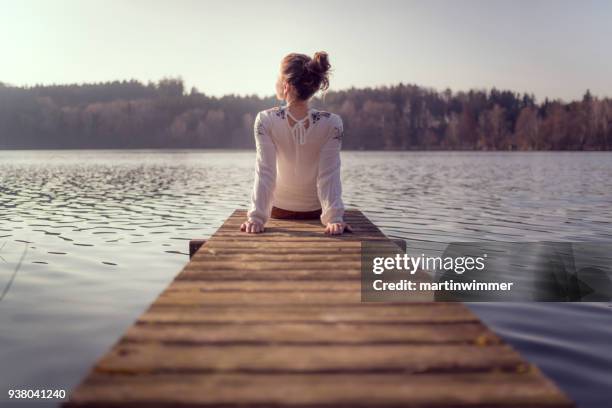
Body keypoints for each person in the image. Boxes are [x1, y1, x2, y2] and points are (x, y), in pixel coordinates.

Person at [240, 51, 352, 235]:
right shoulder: (332, 123)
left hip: (278, 211)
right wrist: (333, 219)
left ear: (286, 85)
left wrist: (256, 218)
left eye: (278, 75)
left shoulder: (265, 119)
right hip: (316, 212)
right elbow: (329, 174)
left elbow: (265, 172)